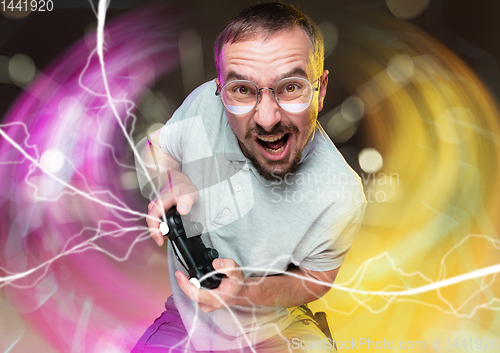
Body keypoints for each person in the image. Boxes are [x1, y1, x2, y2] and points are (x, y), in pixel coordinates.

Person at [133, 2, 366, 352]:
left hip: (278, 329)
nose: (268, 118)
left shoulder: (341, 193)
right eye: (242, 90)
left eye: (290, 87)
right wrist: (172, 177)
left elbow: (317, 280)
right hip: (187, 321)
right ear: (220, 89)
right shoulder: (204, 105)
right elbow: (155, 146)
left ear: (322, 87)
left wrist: (244, 293)